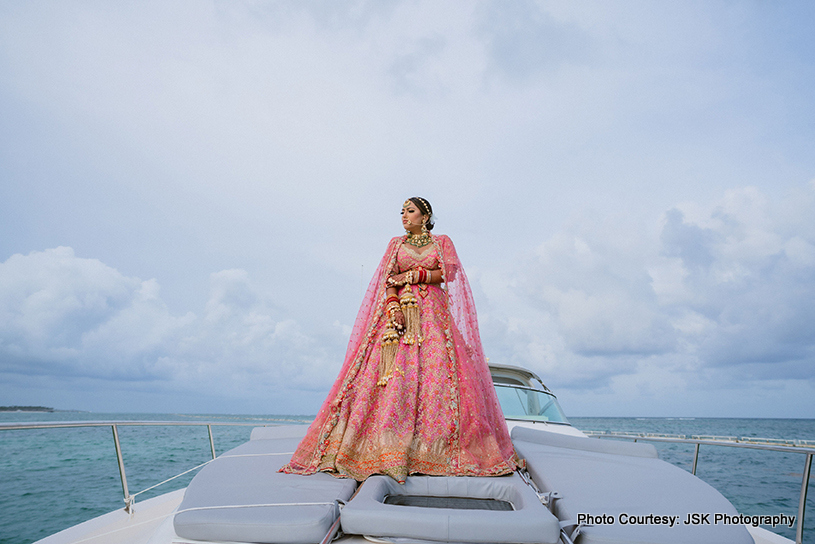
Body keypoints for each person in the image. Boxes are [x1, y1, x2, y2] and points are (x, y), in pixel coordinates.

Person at [280, 197, 522, 482]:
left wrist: (413, 274)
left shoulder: (441, 241)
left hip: (433, 317)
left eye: (410, 211)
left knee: (440, 378)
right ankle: (382, 448)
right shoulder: (395, 244)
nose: (404, 216)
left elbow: (449, 272)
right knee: (391, 378)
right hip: (398, 320)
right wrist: (393, 305)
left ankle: (440, 449)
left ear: (425, 215)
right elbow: (388, 279)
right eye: (402, 212)